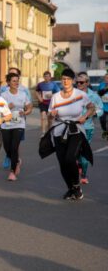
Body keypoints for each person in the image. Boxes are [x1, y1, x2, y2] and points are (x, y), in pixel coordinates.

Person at [48, 68, 94, 200]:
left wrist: (85, 116)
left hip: (76, 130)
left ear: (73, 81)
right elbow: (50, 115)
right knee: (62, 162)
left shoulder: (80, 95)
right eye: (63, 79)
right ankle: (71, 189)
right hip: (59, 132)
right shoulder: (56, 97)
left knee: (70, 158)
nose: (65, 81)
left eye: (68, 79)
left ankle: (76, 185)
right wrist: (52, 115)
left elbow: (91, 107)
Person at [1, 73, 33, 181]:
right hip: (6, 124)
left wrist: (25, 112)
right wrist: (7, 107)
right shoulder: (4, 95)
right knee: (7, 147)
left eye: (17, 80)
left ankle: (12, 172)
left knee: (14, 147)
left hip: (19, 123)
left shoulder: (23, 94)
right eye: (13, 81)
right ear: (8, 82)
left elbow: (29, 107)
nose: (16, 83)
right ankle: (16, 160)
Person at [75, 73, 103, 184]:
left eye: (81, 82)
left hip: (87, 128)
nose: (78, 84)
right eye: (77, 82)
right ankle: (79, 164)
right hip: (74, 127)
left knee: (84, 153)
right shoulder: (73, 94)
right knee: (75, 151)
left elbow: (100, 108)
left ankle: (84, 175)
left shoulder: (94, 96)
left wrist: (94, 113)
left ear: (87, 83)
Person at [35, 71, 60, 135]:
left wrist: (52, 95)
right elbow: (36, 92)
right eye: (45, 76)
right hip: (43, 103)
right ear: (43, 77)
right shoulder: (40, 84)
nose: (46, 78)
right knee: (43, 117)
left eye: (48, 76)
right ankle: (43, 132)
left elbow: (58, 93)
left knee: (50, 119)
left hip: (51, 103)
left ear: (50, 77)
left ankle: (49, 131)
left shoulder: (53, 84)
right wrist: (39, 97)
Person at [97, 73, 108, 140]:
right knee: (102, 120)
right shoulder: (101, 85)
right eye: (106, 78)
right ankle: (104, 130)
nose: (107, 79)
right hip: (103, 107)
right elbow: (98, 94)